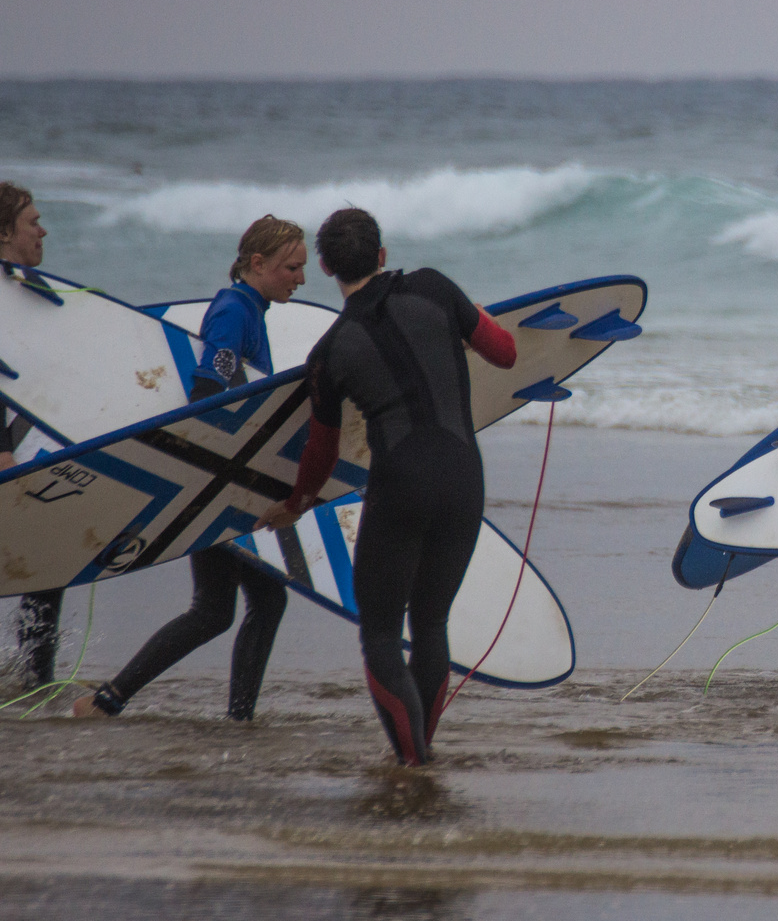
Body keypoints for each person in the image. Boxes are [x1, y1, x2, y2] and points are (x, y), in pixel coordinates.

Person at [256, 208, 516, 766]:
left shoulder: (328, 353)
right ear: (382, 255)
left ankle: (411, 763)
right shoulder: (434, 288)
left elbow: (321, 452)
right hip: (464, 478)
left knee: (379, 631)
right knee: (432, 622)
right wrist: (462, 317)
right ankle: (420, 757)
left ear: (325, 266)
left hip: (400, 488)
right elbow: (505, 351)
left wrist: (295, 505)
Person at [72, 217, 308, 721]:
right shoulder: (232, 312)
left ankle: (113, 700)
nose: (301, 278)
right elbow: (208, 394)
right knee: (241, 605)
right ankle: (223, 716)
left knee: (228, 608)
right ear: (258, 263)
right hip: (216, 480)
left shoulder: (250, 309)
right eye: (292, 267)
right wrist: (228, 484)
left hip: (217, 480)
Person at [1, 182, 60, 690]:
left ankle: (31, 686)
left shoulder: (31, 291)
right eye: (32, 222)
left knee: (48, 569)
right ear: (4, 233)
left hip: (34, 454)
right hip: (10, 454)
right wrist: (2, 450)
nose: (43, 230)